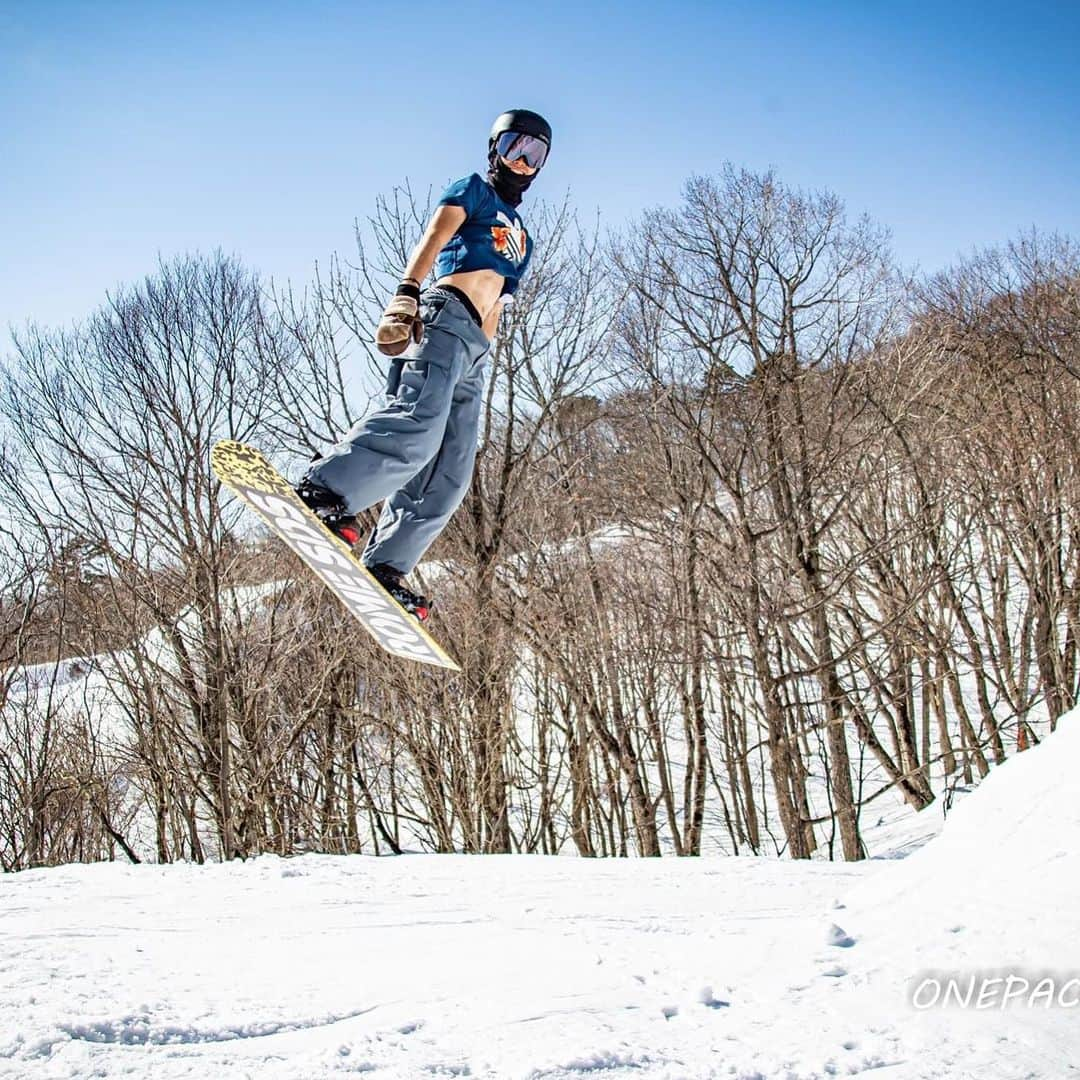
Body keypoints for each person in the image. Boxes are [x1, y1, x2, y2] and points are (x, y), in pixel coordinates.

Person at [295, 109, 552, 621]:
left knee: (451, 471)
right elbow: (435, 236)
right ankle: (324, 490)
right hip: (443, 317)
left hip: (477, 349)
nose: (523, 161)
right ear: (495, 148)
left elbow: (500, 298)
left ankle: (386, 566)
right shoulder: (474, 190)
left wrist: (483, 352)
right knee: (417, 424)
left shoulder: (523, 235)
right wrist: (406, 294)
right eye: (515, 147)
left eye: (536, 154)